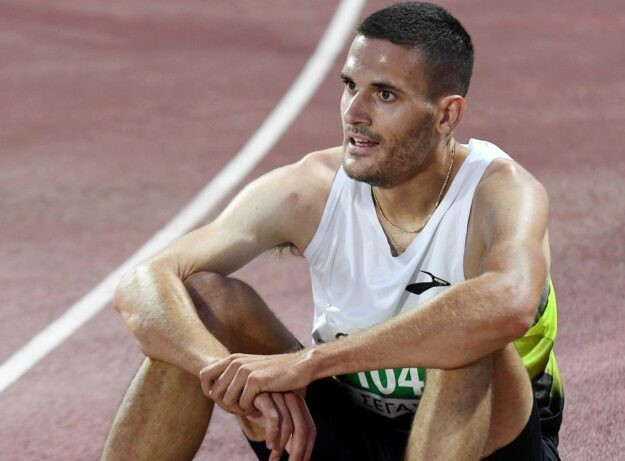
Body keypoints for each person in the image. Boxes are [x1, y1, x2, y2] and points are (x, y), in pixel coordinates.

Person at [101, 2, 563, 460]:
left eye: (385, 95)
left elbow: (509, 305)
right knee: (203, 302)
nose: (354, 112)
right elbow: (141, 283)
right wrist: (220, 369)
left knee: (470, 341)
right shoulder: (311, 189)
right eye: (349, 86)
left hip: (489, 444)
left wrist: (308, 364)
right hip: (349, 433)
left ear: (446, 115)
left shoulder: (499, 192)